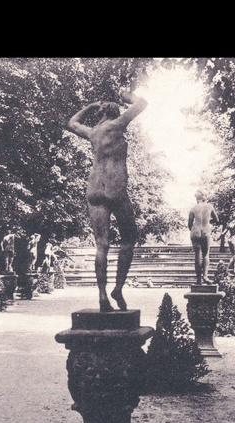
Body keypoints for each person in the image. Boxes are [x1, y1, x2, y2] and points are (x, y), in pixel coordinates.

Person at [67, 89, 147, 312]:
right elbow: (142, 103)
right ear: (114, 112)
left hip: (94, 188)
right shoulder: (117, 124)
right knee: (129, 239)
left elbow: (72, 122)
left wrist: (91, 106)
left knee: (101, 244)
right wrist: (126, 95)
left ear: (101, 113)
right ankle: (118, 288)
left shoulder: (93, 132)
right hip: (115, 188)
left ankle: (102, 296)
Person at [188, 191, 219, 284]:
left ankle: (198, 279)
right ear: (204, 197)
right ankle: (205, 276)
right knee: (205, 254)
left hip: (195, 230)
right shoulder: (210, 206)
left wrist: (193, 230)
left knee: (197, 255)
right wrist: (208, 221)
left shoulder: (193, 208)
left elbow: (189, 223)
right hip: (205, 230)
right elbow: (217, 220)